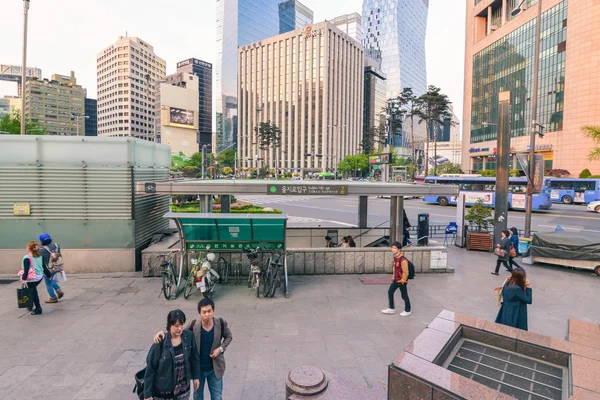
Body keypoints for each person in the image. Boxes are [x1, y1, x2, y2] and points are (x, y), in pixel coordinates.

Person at [154, 298, 233, 400]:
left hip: (215, 369)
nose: (207, 315)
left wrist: (221, 349)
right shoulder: (194, 325)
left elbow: (229, 337)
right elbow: (178, 332)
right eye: (204, 312)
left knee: (217, 396)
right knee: (197, 396)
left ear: (213, 311)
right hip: (198, 369)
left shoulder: (221, 323)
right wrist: (162, 334)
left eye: (209, 311)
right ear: (199, 313)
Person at [144, 309, 200, 400]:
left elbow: (194, 358)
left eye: (182, 324)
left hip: (183, 389)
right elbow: (150, 368)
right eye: (176, 326)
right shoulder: (161, 341)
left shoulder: (188, 336)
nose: (180, 328)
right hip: (165, 391)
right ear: (170, 325)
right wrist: (147, 393)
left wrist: (196, 377)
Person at [381, 241, 411, 317]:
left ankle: (408, 310)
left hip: (401, 281)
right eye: (392, 248)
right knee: (390, 291)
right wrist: (393, 277)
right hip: (396, 279)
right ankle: (391, 308)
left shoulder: (403, 260)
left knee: (404, 295)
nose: (393, 249)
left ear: (399, 249)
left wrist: (403, 280)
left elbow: (405, 271)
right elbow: (395, 269)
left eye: (395, 248)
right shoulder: (396, 258)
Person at [19, 241, 48, 315]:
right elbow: (44, 267)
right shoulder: (40, 256)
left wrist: (24, 279)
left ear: (28, 248)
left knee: (33, 292)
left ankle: (38, 308)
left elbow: (26, 270)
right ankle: (31, 304)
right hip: (39, 276)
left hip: (32, 278)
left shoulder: (27, 257)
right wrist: (49, 275)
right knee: (32, 290)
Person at [38, 233, 64, 304]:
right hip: (57, 266)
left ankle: (53, 297)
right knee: (51, 280)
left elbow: (41, 260)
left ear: (42, 241)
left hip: (48, 268)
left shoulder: (41, 250)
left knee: (48, 282)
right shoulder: (56, 245)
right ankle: (59, 290)